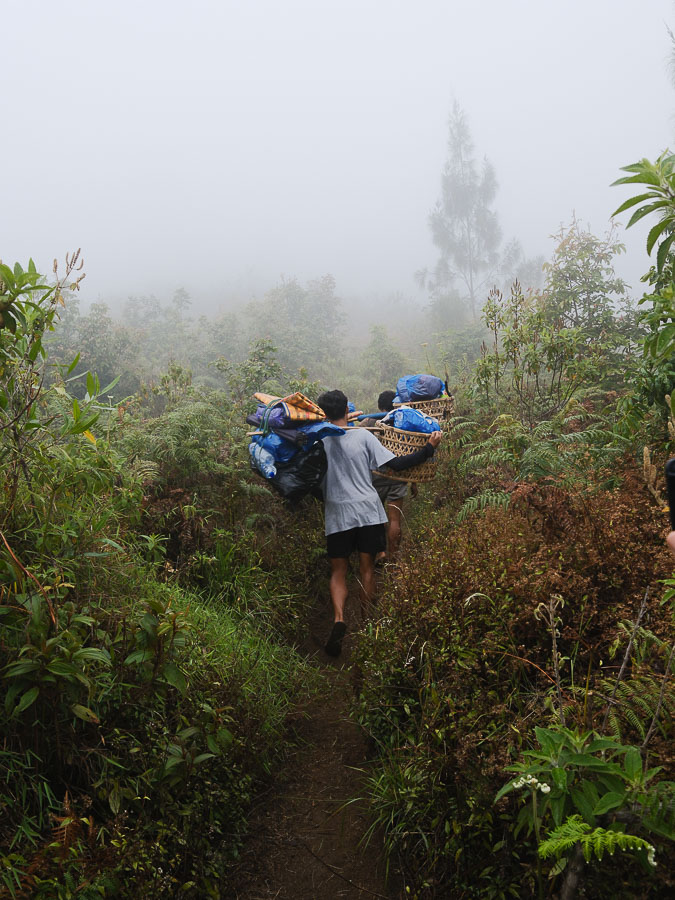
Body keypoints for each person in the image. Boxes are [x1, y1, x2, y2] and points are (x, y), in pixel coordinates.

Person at [317, 389, 441, 657]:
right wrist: (429, 448)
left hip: (337, 514)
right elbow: (396, 465)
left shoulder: (318, 441)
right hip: (367, 512)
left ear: (323, 414)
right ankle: (367, 626)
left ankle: (339, 619)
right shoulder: (363, 436)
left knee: (338, 572)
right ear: (347, 411)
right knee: (367, 569)